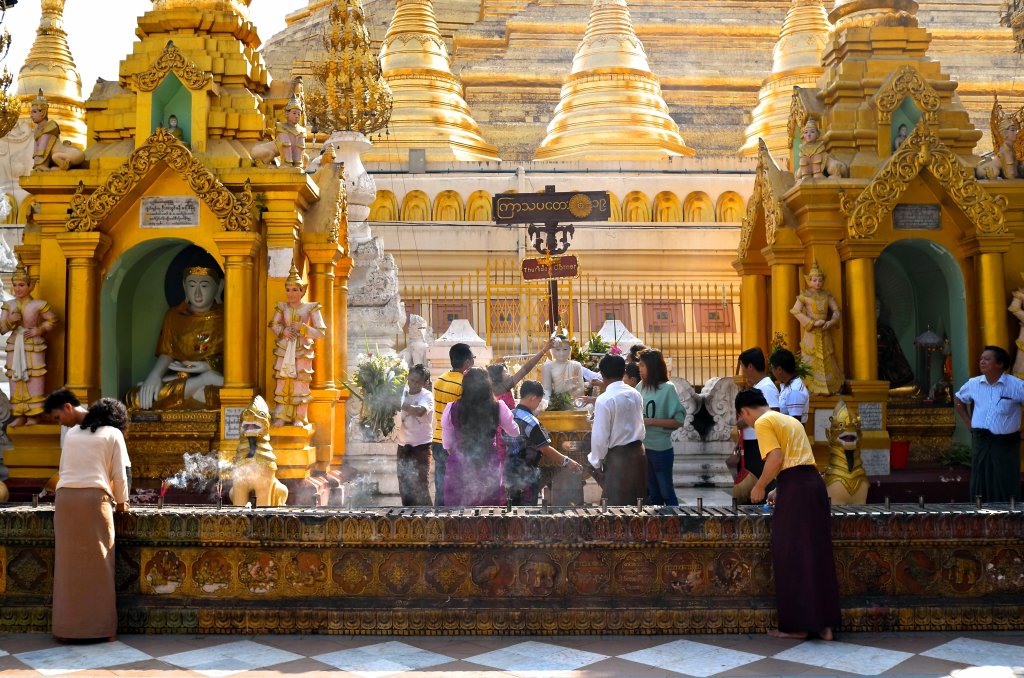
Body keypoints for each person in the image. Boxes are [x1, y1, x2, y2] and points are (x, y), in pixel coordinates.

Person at [735, 388, 840, 640]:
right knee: (817, 551)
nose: (746, 423)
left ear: (745, 411)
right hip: (812, 485)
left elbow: (776, 457)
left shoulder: (763, 422)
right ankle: (825, 625)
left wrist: (760, 486)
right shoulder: (789, 420)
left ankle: (798, 626)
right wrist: (779, 489)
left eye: (743, 418)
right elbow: (797, 462)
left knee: (791, 553)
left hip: (797, 490)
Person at [52, 398, 131, 643]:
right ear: (118, 419)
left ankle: (65, 629)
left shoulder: (73, 432)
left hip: (64, 500)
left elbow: (63, 468)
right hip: (93, 500)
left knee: (66, 567)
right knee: (100, 566)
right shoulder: (114, 434)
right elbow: (120, 475)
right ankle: (100, 629)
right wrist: (122, 504)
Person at [126, 264, 224, 410]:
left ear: (219, 286)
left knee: (223, 396)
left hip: (218, 380)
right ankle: (200, 383)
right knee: (134, 398)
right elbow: (168, 352)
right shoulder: (174, 316)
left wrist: (207, 366)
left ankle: (201, 383)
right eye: (191, 286)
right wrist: (155, 376)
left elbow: (237, 361)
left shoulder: (227, 317)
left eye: (204, 286)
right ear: (184, 286)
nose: (197, 293)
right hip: (183, 377)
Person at [954, 346, 1024, 502]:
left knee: (1005, 480)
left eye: (987, 359)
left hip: (1005, 443)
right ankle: (980, 515)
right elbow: (959, 399)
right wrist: (968, 422)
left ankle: (1008, 517)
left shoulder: (1016, 385)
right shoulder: (973, 383)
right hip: (981, 440)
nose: (982, 362)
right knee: (980, 477)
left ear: (999, 364)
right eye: (981, 359)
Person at [441, 367, 518, 506]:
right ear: (487, 385)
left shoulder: (452, 407)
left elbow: (447, 443)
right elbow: (514, 432)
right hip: (488, 461)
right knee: (488, 511)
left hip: (460, 461)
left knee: (458, 514)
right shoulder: (498, 406)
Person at [504, 380, 583, 505]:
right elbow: (544, 448)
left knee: (510, 509)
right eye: (539, 401)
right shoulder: (531, 421)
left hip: (507, 471)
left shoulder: (509, 415)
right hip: (526, 473)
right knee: (526, 514)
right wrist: (567, 461)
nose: (538, 405)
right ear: (533, 398)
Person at [0, 260, 58, 426]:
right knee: (15, 378)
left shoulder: (38, 305)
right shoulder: (8, 305)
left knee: (34, 377)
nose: (17, 289)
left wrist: (39, 330)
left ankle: (34, 414)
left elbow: (53, 320)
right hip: (15, 344)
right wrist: (10, 321)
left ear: (31, 286)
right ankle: (19, 414)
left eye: (22, 285)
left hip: (33, 344)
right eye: (15, 285)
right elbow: (2, 328)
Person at [269, 265, 326, 426]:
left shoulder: (311, 307)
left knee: (300, 381)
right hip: (285, 348)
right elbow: (273, 324)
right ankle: (281, 415)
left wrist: (303, 329)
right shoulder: (282, 307)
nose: (291, 294)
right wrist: (283, 331)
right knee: (283, 380)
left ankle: (300, 417)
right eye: (288, 289)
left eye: (295, 290)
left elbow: (321, 332)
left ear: (302, 291)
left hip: (302, 349)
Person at [588, 354, 646, 505]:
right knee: (638, 506)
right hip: (639, 454)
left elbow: (600, 438)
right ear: (623, 372)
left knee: (614, 512)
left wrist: (596, 461)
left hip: (619, 459)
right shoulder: (636, 394)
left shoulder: (604, 399)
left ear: (602, 375)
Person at [637, 349, 686, 506]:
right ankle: (658, 528)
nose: (640, 368)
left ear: (652, 366)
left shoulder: (668, 388)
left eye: (643, 365)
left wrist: (651, 422)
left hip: (661, 450)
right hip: (644, 449)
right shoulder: (640, 387)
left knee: (666, 491)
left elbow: (679, 421)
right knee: (653, 493)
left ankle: (676, 525)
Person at [791, 261, 843, 395]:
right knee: (810, 357)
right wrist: (812, 323)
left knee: (828, 357)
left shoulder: (827, 295)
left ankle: (830, 387)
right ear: (809, 281)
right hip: (812, 332)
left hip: (825, 330)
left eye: (820, 280)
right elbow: (795, 311)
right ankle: (809, 387)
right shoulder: (805, 295)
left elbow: (837, 310)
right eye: (814, 280)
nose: (817, 283)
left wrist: (831, 322)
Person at [736, 347, 781, 502]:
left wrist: (744, 421)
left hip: (760, 443)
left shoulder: (767, 387)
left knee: (764, 482)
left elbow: (773, 412)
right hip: (752, 443)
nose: (741, 371)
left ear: (749, 367)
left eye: (742, 367)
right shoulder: (758, 386)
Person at [432, 342, 474, 506]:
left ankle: (437, 522)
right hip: (454, 443)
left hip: (437, 439)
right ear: (467, 363)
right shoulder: (464, 384)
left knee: (440, 488)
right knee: (456, 488)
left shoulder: (439, 381)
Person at [396, 364, 433, 506]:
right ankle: (408, 522)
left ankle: (428, 522)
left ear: (426, 383)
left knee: (421, 487)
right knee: (404, 487)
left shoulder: (427, 395)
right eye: (411, 380)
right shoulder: (402, 392)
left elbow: (420, 411)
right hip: (403, 445)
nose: (413, 384)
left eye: (418, 382)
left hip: (421, 447)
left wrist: (400, 404)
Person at [770, 349, 810, 423]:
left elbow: (794, 423)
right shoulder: (788, 386)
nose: (772, 371)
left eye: (772, 368)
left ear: (779, 369)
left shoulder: (794, 391)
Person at [541, 336, 585, 402]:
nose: (562, 353)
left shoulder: (576, 365)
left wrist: (569, 397)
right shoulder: (548, 367)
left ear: (570, 349)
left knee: (590, 406)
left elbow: (581, 387)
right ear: (552, 350)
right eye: (558, 349)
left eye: (565, 349)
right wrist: (548, 402)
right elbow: (547, 389)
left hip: (572, 401)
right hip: (555, 401)